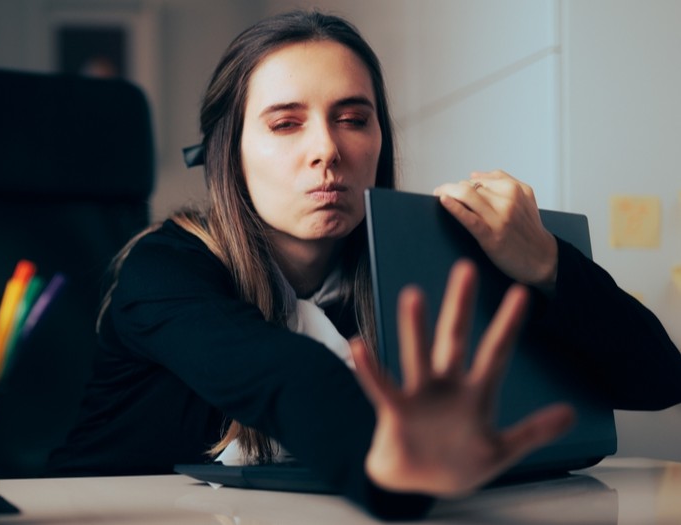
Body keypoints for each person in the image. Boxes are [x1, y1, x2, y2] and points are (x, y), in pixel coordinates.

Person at [48, 10, 681, 519]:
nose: (327, 150)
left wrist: (546, 261)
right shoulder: (162, 272)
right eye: (285, 123)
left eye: (353, 119)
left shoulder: (411, 262)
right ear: (229, 153)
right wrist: (405, 473)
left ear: (381, 140)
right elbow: (286, 376)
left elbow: (658, 380)